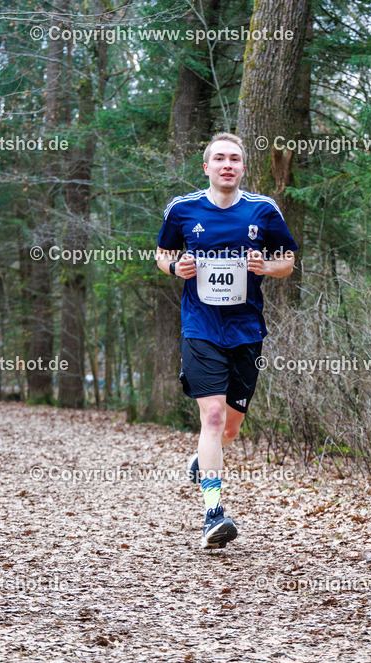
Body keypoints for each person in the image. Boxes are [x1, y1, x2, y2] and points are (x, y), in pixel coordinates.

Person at [156, 132, 298, 549]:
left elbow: (288, 260)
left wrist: (266, 267)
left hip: (246, 330)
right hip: (200, 326)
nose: (227, 165)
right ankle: (213, 513)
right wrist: (174, 268)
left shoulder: (263, 210)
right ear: (207, 167)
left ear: (243, 167)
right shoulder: (182, 210)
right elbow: (162, 253)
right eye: (219, 159)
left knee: (230, 429)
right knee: (213, 417)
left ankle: (204, 459)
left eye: (235, 159)